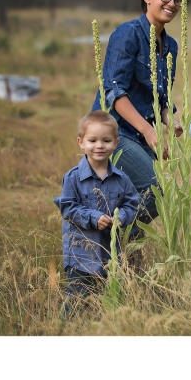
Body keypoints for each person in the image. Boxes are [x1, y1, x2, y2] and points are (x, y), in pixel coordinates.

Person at [91, 0, 187, 237]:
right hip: (114, 130)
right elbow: (114, 93)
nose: (172, 4)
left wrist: (171, 123)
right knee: (155, 192)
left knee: (142, 195)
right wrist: (149, 131)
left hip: (140, 134)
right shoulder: (128, 34)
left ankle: (122, 254)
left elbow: (161, 97)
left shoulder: (171, 46)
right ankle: (106, 238)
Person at [54, 111, 140, 314]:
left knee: (105, 301)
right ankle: (66, 329)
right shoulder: (73, 178)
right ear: (81, 142)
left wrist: (121, 219)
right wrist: (93, 218)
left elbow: (132, 204)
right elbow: (67, 206)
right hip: (80, 254)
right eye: (92, 140)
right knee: (77, 299)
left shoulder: (122, 179)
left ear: (116, 143)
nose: (99, 146)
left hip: (110, 254)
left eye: (106, 140)